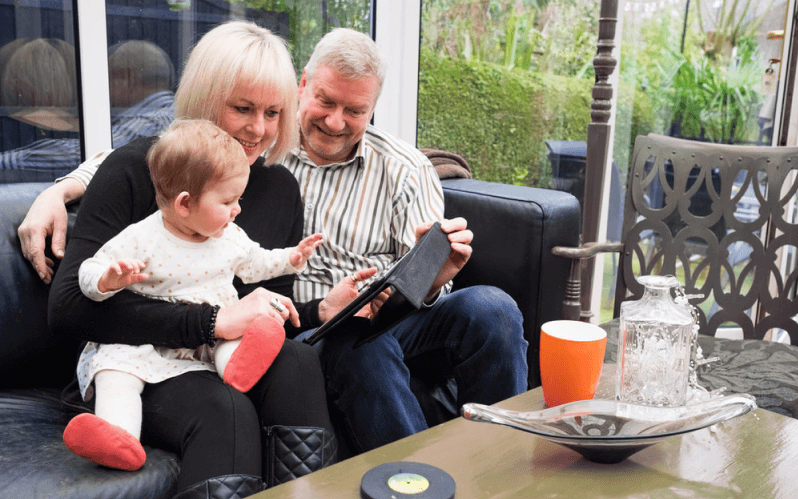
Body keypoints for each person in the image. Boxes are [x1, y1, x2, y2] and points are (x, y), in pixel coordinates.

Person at [18, 27, 529, 456]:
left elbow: (418, 276)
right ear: (303, 87)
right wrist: (57, 191)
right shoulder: (248, 158)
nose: (334, 121)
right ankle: (419, 480)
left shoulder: (390, 169)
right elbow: (156, 159)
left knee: (493, 307)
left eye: (355, 110)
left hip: (387, 313)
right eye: (324, 101)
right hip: (323, 329)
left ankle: (500, 457)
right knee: (357, 351)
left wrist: (435, 277)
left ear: (373, 107)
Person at [25, 21, 343, 499]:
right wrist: (212, 322)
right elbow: (69, 308)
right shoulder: (135, 170)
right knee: (225, 410)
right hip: (132, 365)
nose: (259, 129)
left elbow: (263, 304)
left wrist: (319, 310)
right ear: (204, 97)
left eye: (273, 113)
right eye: (242, 108)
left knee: (298, 361)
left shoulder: (279, 189)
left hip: (219, 358)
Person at [63, 119, 324, 472]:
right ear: (185, 203)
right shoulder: (142, 237)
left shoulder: (228, 235)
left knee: (233, 337)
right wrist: (109, 280)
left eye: (238, 199)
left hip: (211, 335)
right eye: (229, 200)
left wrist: (291, 258)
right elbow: (87, 273)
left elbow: (255, 262)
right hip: (145, 344)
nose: (238, 210)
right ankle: (117, 437)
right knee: (115, 374)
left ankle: (239, 369)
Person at [1, 39, 173, 183]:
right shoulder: (168, 113)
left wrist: (6, 160)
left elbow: (92, 155)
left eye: (104, 78)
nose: (95, 88)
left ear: (126, 77)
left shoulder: (154, 122)